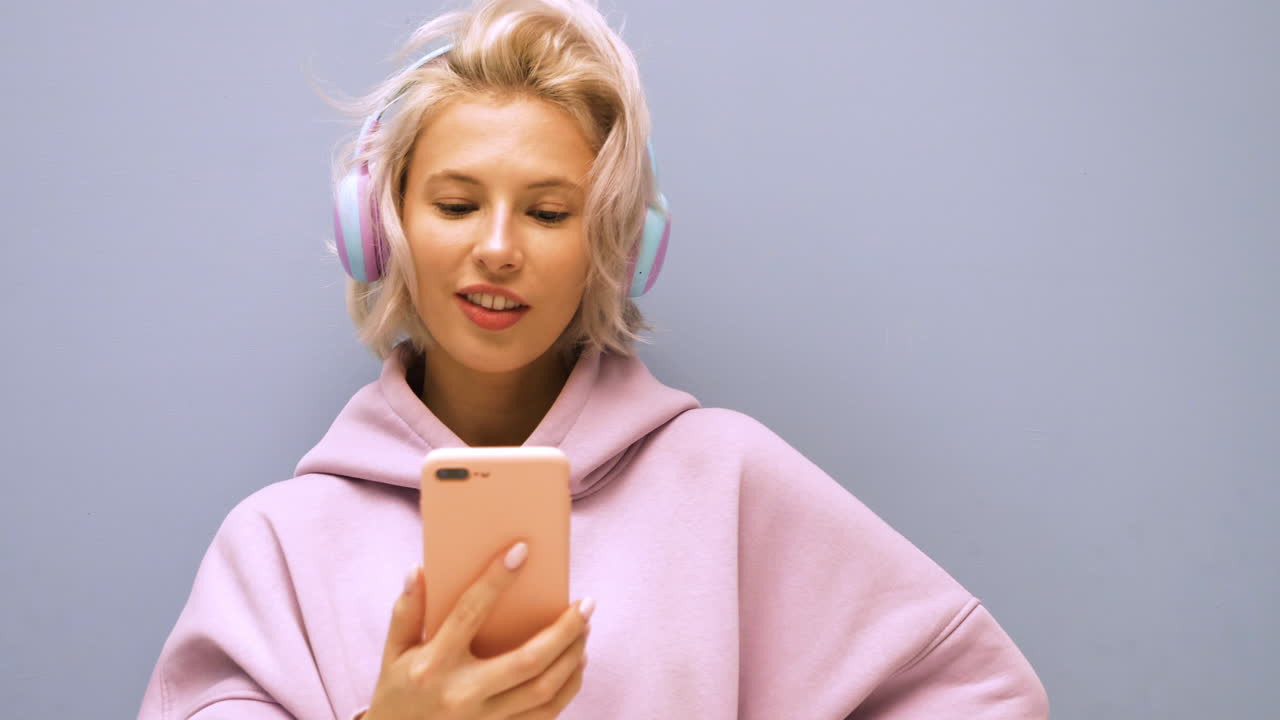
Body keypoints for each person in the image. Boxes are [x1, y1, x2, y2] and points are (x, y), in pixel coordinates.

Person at [137, 0, 1050, 718]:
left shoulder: (725, 480)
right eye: (456, 204)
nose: (498, 248)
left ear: (613, 246)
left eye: (547, 212)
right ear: (380, 227)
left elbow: (981, 697)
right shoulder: (276, 546)